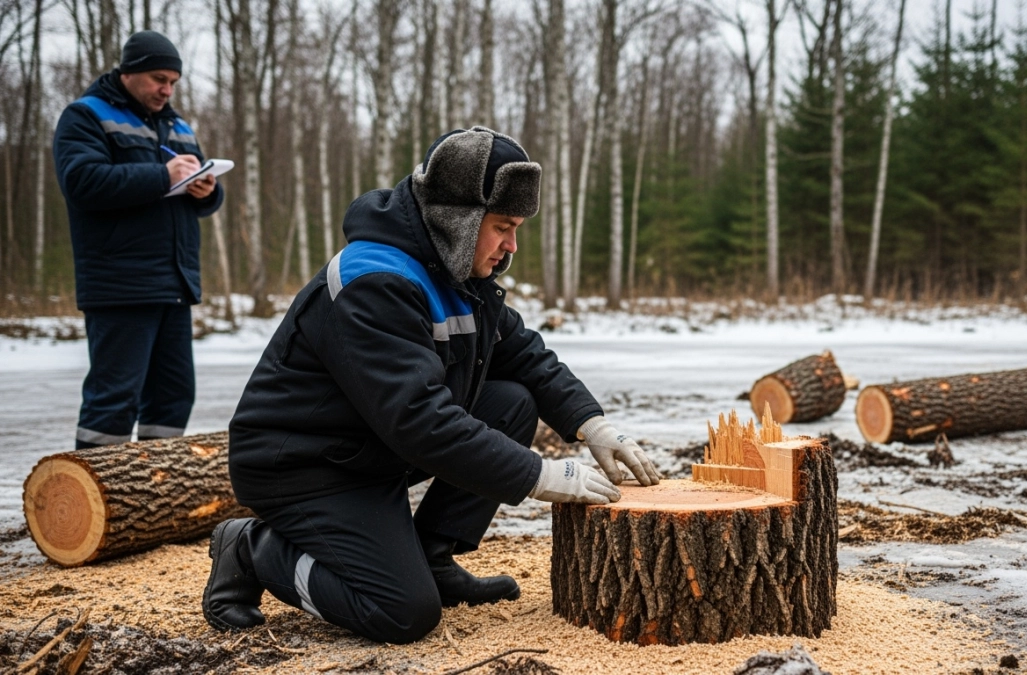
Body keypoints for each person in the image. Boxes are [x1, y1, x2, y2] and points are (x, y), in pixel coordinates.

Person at [202, 127, 661, 643]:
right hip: (308, 467)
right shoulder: (373, 282)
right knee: (401, 612)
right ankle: (255, 549)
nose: (511, 245)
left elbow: (523, 353)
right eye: (503, 227)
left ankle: (432, 557)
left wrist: (592, 424)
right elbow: (421, 421)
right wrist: (538, 475)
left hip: (368, 447)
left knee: (510, 403)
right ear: (458, 221)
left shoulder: (454, 270)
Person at [53, 30, 224, 449]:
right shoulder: (85, 116)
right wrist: (162, 175)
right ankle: (95, 501)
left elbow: (198, 196)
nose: (167, 90)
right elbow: (82, 182)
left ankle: (151, 497)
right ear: (129, 72)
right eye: (158, 79)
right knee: (114, 400)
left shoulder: (178, 125)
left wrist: (208, 191)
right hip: (120, 285)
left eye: (173, 82)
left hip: (175, 283)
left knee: (173, 398)